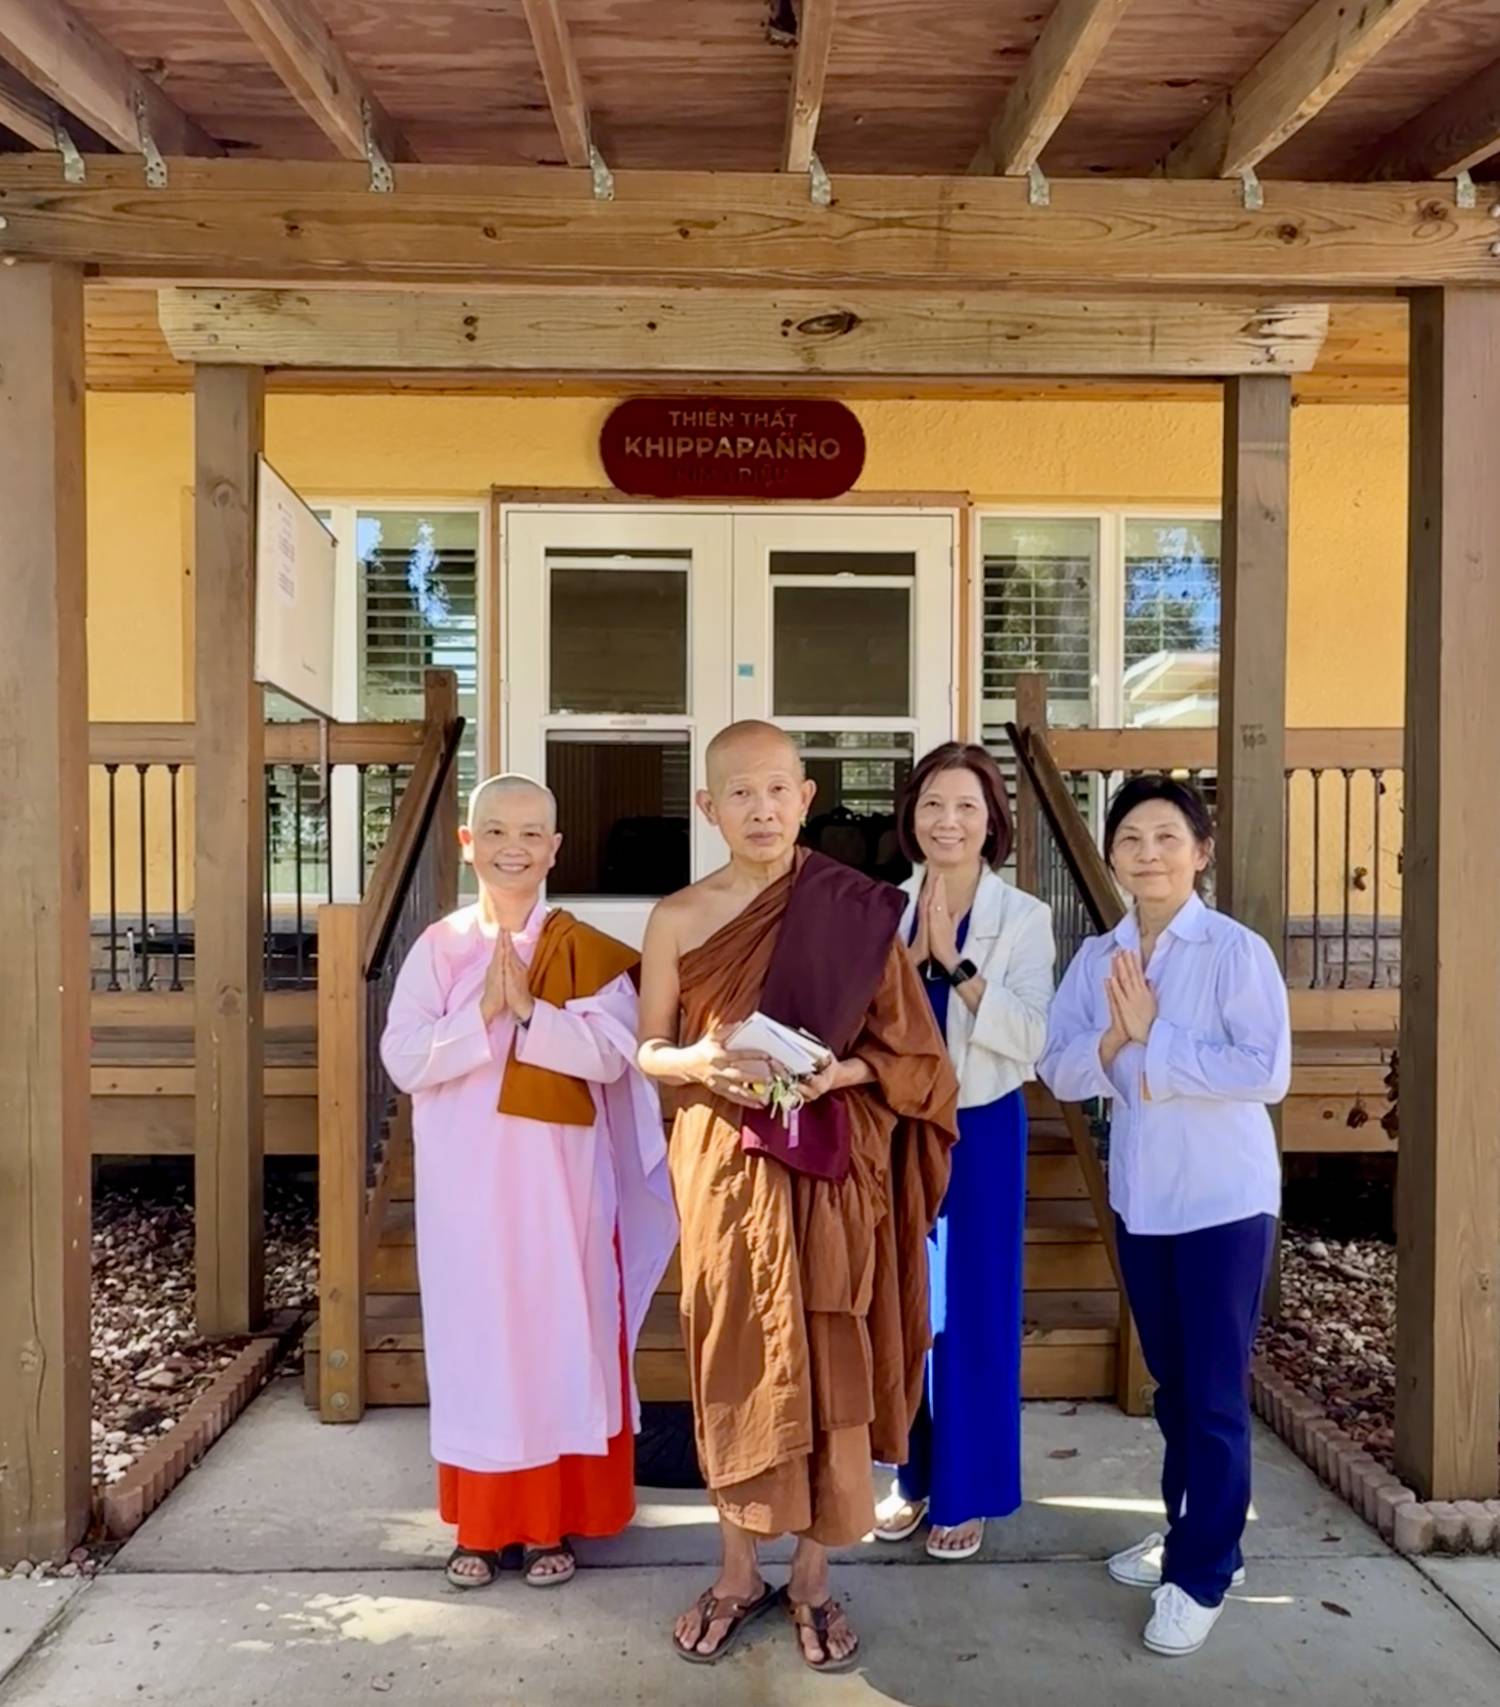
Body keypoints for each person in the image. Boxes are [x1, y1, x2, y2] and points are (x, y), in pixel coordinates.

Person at [637, 720, 958, 1673]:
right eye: (739, 792)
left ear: (807, 797)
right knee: (734, 1354)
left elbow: (915, 1058)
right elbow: (649, 1052)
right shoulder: (678, 917)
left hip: (832, 1164)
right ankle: (738, 1571)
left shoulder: (853, 910)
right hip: (727, 1165)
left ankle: (813, 1578)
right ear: (708, 806)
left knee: (832, 1354)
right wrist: (701, 1060)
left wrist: (839, 1073)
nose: (762, 808)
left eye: (778, 789)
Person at [380, 774, 677, 1592]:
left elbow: (616, 1055)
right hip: (467, 1189)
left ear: (554, 849)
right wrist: (478, 1012)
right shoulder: (439, 948)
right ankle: (481, 1527)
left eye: (531, 833)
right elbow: (402, 1057)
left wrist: (529, 1014)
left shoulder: (582, 947)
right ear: (467, 843)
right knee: (480, 1344)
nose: (513, 847)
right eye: (496, 831)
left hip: (561, 1185)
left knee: (557, 1336)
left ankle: (551, 1523)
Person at [1038, 776, 1290, 1659]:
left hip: (1223, 1201)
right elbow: (1059, 1065)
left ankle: (1204, 1572)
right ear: (1112, 854)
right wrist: (1114, 1039)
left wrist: (1154, 1037)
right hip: (1144, 1200)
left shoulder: (1233, 951)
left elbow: (1265, 1070)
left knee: (1215, 1393)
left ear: (1201, 851)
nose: (1148, 853)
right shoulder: (1099, 956)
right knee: (1175, 1388)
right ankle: (1193, 1530)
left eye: (1167, 837)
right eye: (1131, 838)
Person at [872, 743, 1053, 1561]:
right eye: (933, 805)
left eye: (967, 807)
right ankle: (912, 1476)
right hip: (897, 1125)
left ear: (992, 822)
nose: (948, 821)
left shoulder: (1025, 917)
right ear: (912, 818)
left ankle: (968, 1488)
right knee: (905, 1303)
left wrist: (958, 964)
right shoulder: (886, 908)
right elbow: (856, 1018)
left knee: (973, 1306)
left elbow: (1032, 1036)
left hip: (980, 1126)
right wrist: (912, 957)